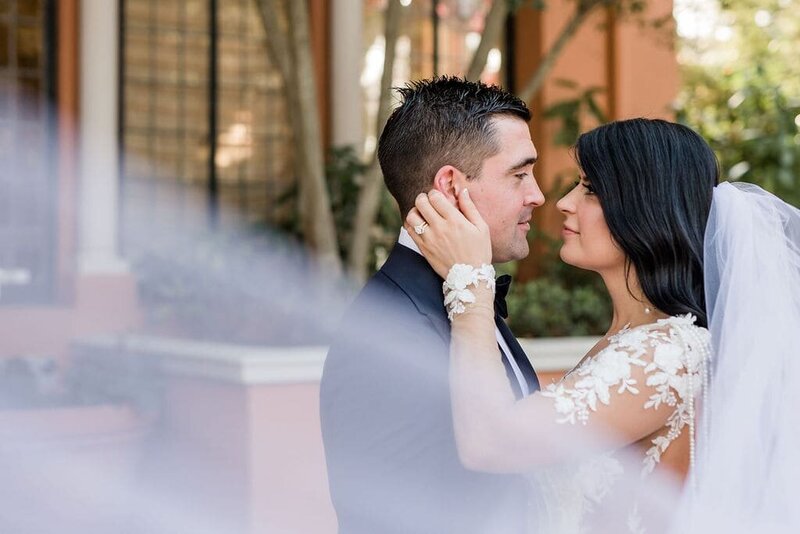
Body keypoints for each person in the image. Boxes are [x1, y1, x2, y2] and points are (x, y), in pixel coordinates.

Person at [405, 118, 723, 533]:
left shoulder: (668, 354)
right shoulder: (630, 343)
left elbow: (492, 443)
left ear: (647, 205)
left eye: (590, 189)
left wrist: (470, 283)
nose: (563, 203)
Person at [320, 77, 546, 534]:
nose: (537, 195)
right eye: (519, 174)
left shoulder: (465, 294)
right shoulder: (390, 334)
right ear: (452, 185)